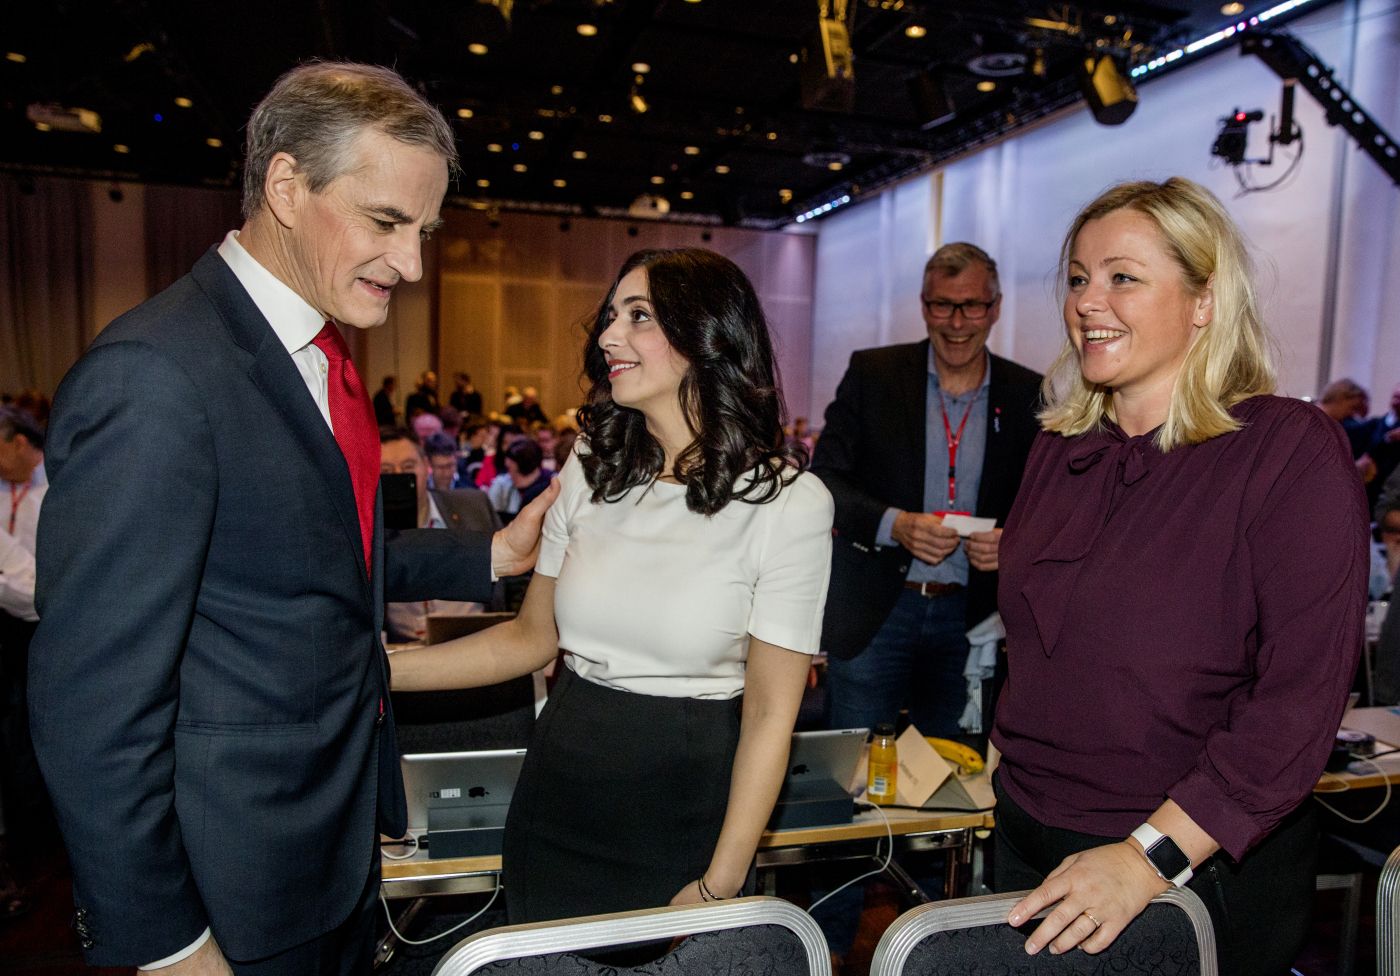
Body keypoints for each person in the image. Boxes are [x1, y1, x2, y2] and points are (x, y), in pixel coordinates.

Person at [28, 62, 556, 975]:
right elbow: (91, 710)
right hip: (226, 895)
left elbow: (314, 553)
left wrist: (489, 557)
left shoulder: (312, 348)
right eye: (387, 222)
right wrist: (167, 942)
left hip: (331, 856)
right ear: (284, 185)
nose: (413, 263)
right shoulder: (155, 378)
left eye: (424, 231)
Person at [990, 177, 1366, 973]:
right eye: (1080, 278)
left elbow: (1297, 701)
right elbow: (1033, 640)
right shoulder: (1060, 449)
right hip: (1025, 844)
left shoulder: (1285, 450)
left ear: (1204, 300)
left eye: (1123, 276)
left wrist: (1145, 858)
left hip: (1184, 870)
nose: (1090, 300)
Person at [391, 248, 833, 924]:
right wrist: (375, 670)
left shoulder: (790, 504)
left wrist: (722, 878)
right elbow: (527, 639)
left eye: (639, 316)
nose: (607, 336)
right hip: (559, 785)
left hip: (685, 804)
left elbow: (771, 714)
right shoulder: (594, 465)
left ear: (707, 336)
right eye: (611, 316)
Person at [811, 242, 1042, 739]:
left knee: (954, 780)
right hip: (877, 613)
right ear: (924, 306)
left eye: (973, 305)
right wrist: (894, 523)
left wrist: (1013, 541)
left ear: (995, 308)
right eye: (943, 305)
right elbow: (823, 479)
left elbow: (1047, 506)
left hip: (972, 621)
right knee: (851, 773)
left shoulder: (1028, 394)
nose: (957, 322)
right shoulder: (873, 375)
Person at [381, 428, 503, 643]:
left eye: (408, 467)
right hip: (403, 650)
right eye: (387, 470)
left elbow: (513, 578)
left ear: (427, 466)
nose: (399, 475)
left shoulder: (473, 506)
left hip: (479, 643)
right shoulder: (370, 532)